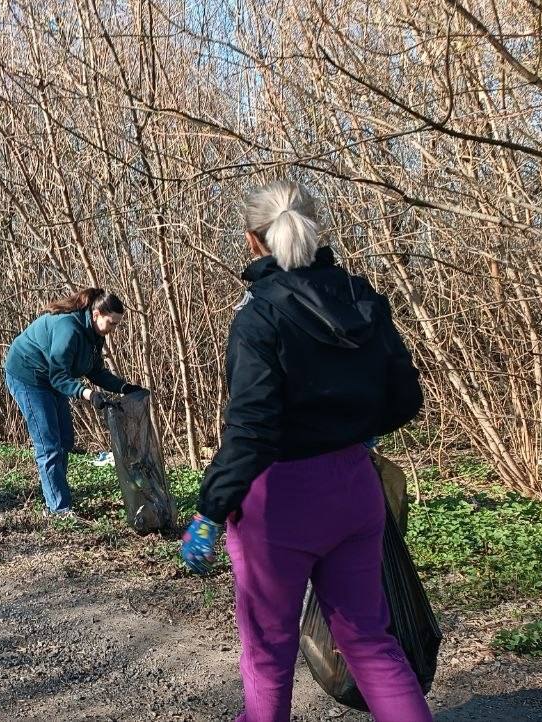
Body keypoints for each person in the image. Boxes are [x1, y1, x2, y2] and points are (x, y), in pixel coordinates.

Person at [180, 181, 430, 722]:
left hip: (280, 504)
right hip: (355, 489)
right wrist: (355, 430)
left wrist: (209, 510)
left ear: (252, 241)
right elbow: (407, 396)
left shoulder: (258, 317)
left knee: (269, 654)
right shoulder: (362, 299)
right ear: (318, 230)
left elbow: (252, 430)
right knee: (369, 641)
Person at [3, 287, 144, 516]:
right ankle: (59, 509)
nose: (113, 330)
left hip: (51, 377)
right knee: (49, 444)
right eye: (111, 323)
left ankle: (58, 494)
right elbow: (59, 376)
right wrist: (89, 394)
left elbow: (95, 371)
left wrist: (124, 387)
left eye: (117, 324)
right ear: (96, 313)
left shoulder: (94, 335)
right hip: (28, 375)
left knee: (65, 440)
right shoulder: (68, 328)